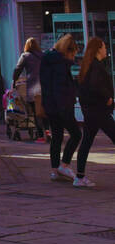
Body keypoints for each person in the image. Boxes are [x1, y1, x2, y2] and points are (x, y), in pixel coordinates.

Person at [74, 37, 115, 188]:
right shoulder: (96, 66)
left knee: (86, 142)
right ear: (98, 49)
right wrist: (108, 98)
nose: (106, 50)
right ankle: (79, 177)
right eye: (104, 47)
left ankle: (79, 177)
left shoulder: (88, 65)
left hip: (91, 112)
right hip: (99, 112)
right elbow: (95, 86)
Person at [40, 34, 81, 182]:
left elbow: (47, 85)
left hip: (51, 106)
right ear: (68, 51)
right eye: (73, 54)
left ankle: (54, 170)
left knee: (56, 136)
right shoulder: (60, 64)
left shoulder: (48, 60)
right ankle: (64, 164)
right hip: (62, 106)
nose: (73, 57)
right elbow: (60, 88)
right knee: (76, 134)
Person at [12, 37, 45, 139]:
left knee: (36, 111)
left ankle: (40, 134)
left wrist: (14, 80)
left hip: (33, 86)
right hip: (45, 86)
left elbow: (17, 69)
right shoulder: (43, 55)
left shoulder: (25, 56)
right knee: (44, 109)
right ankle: (47, 131)